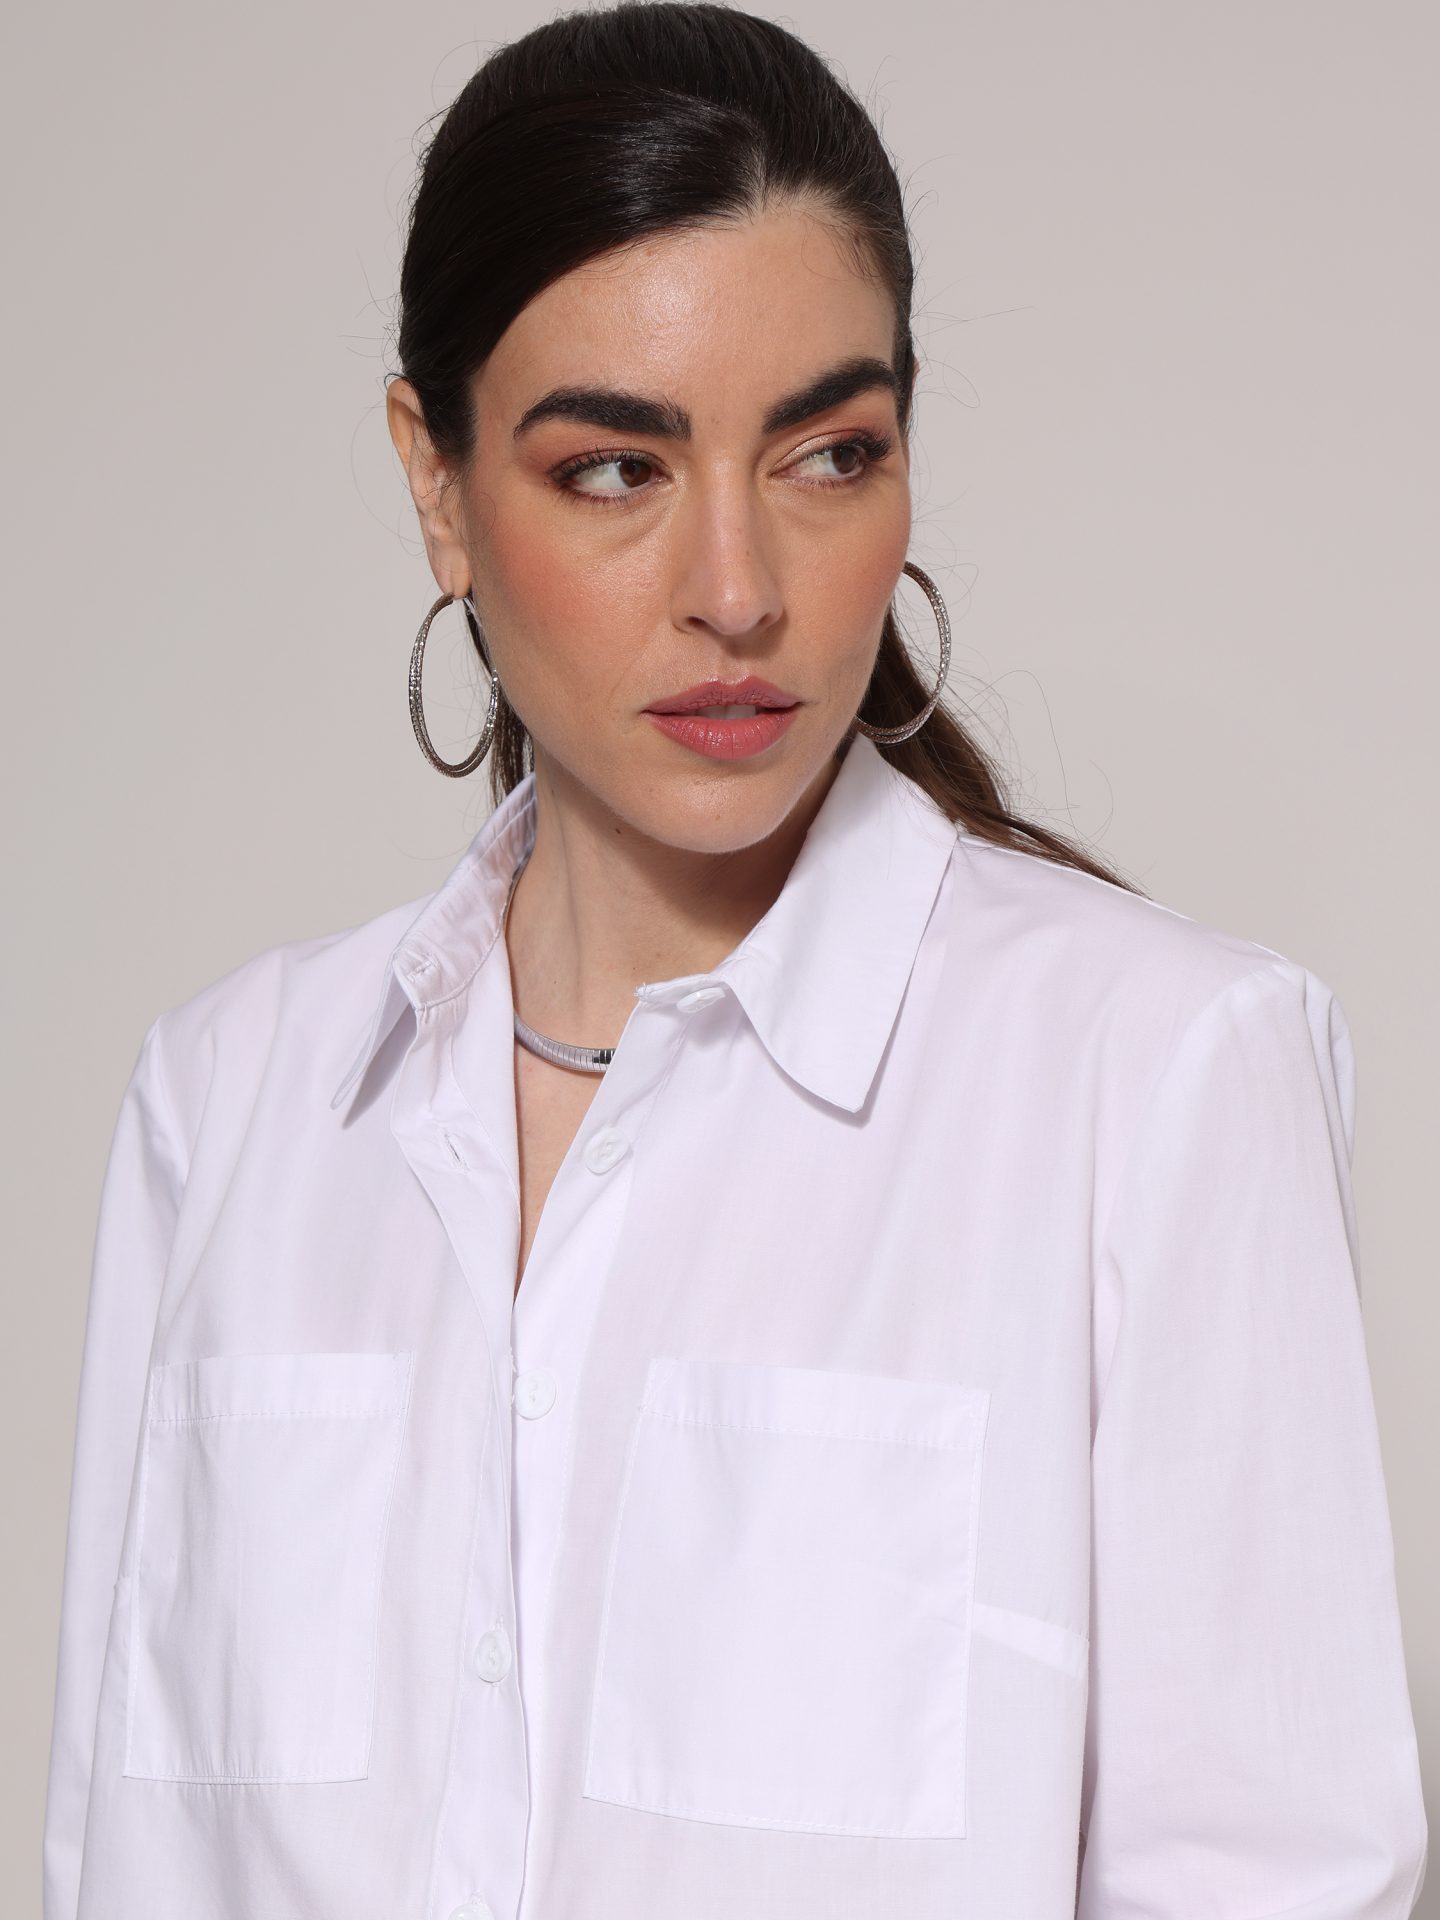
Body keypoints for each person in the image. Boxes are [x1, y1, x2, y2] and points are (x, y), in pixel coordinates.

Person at [43, 4, 1427, 1917]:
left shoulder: (1156, 1078)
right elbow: (127, 1860)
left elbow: (1279, 1881)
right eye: (615, 469)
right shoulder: (228, 1105)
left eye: (827, 454)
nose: (739, 588)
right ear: (438, 484)